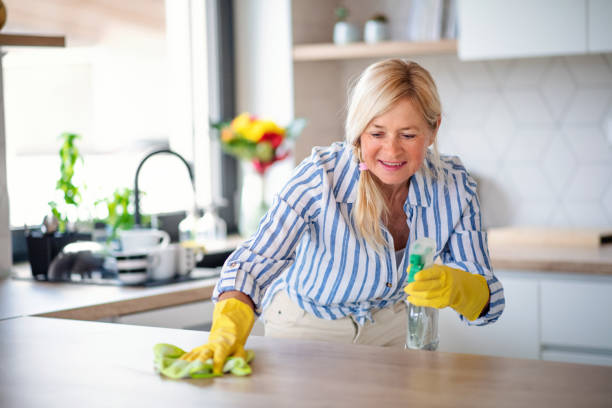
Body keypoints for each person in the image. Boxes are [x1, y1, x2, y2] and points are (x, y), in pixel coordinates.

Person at [177, 59, 505, 374]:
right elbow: (251, 264)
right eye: (377, 133)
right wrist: (225, 329)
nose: (391, 151)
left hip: (390, 333)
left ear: (433, 130)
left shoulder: (455, 187)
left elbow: (489, 304)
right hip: (306, 331)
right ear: (358, 130)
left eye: (408, 135)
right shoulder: (320, 178)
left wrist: (459, 287)